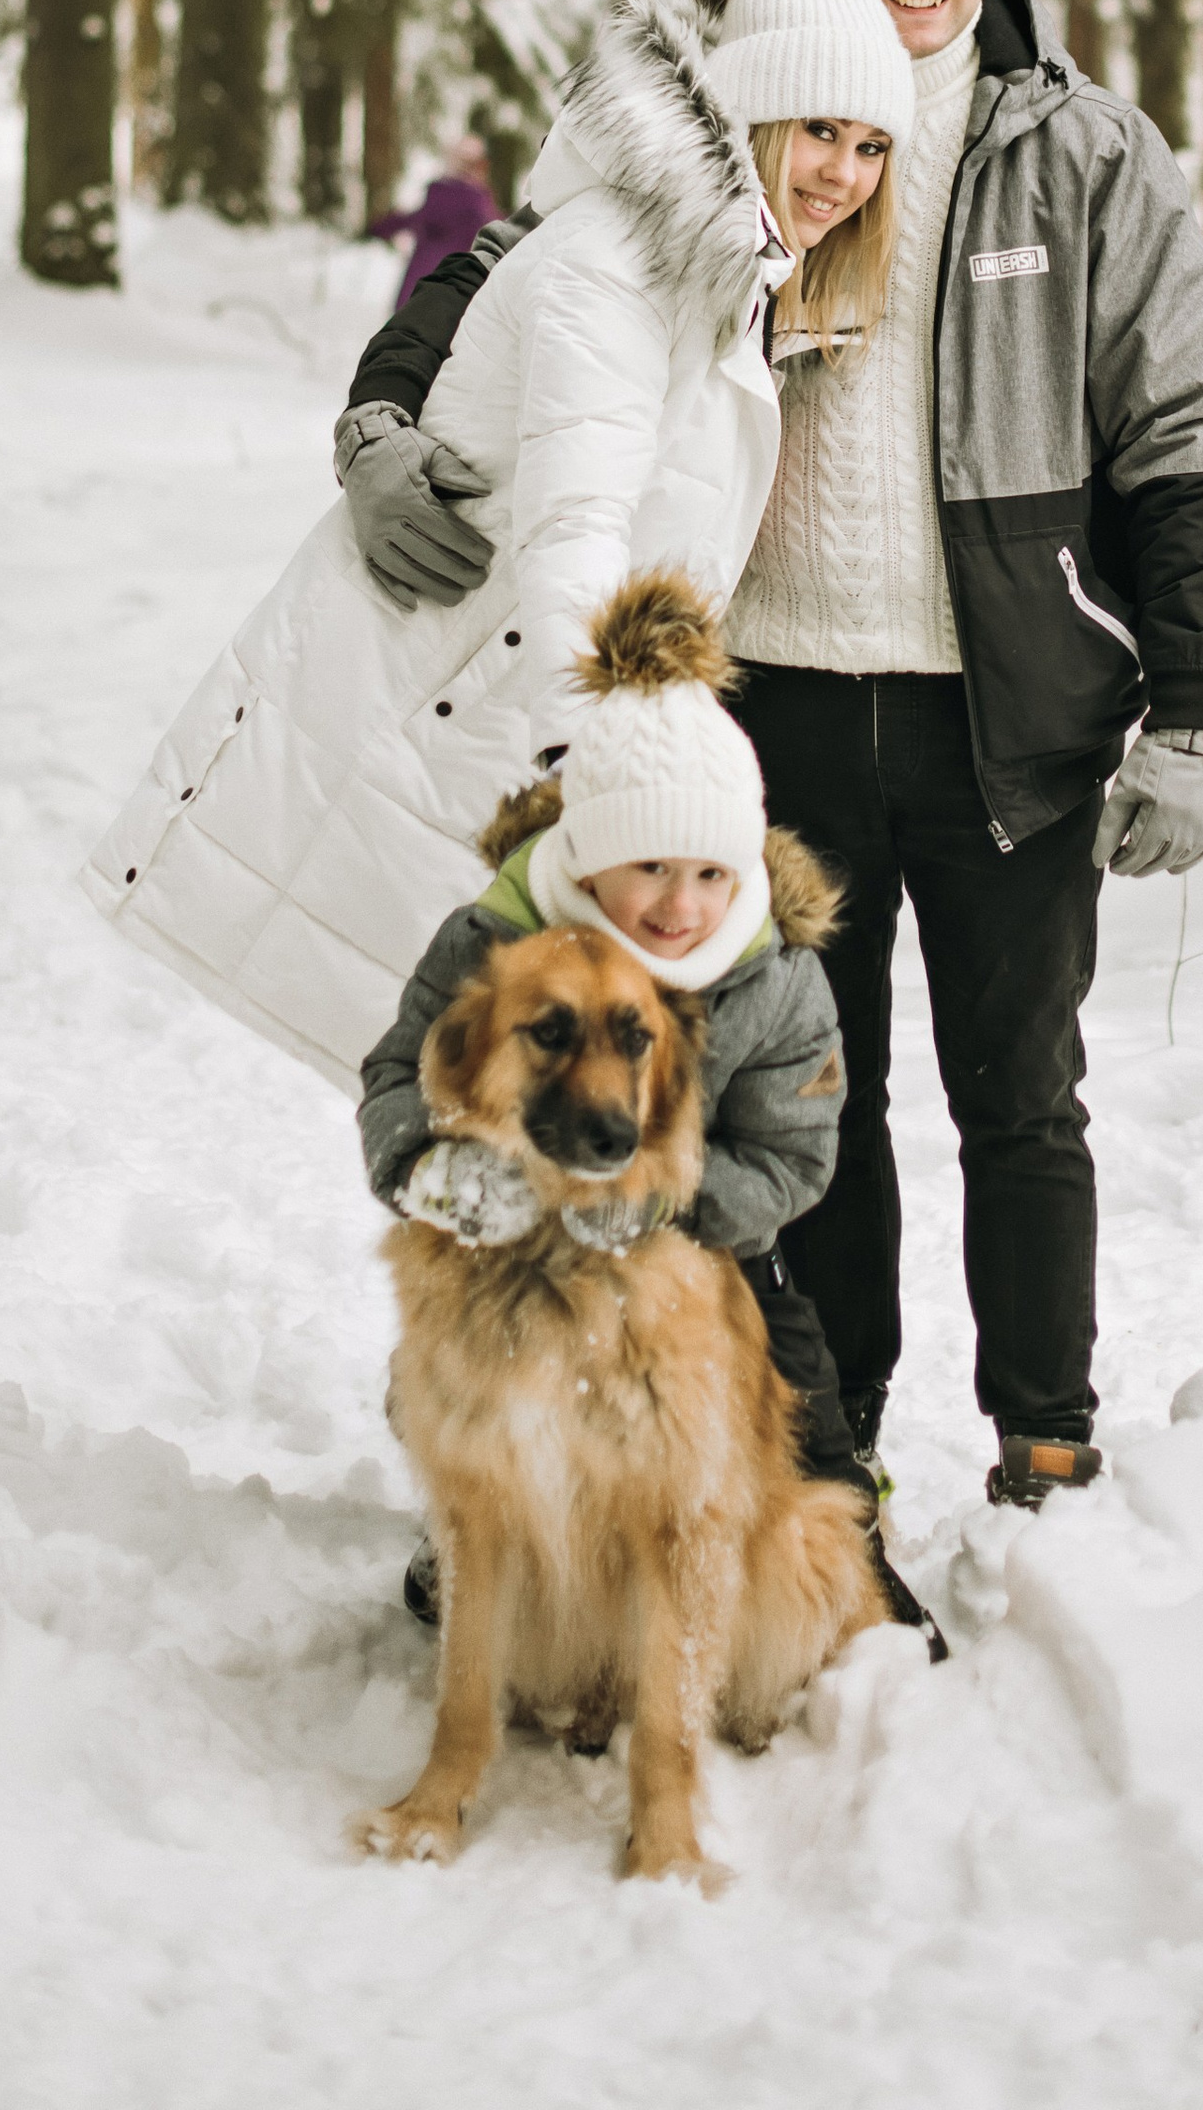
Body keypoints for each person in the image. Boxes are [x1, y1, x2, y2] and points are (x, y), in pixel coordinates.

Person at [333, 0, 1203, 1512]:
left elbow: (1185, 434)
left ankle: (1046, 1432)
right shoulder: (723, 129)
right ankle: (833, 1439)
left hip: (1013, 716)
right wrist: (384, 416)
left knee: (1023, 1095)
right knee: (810, 1085)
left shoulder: (1089, 154)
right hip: (776, 717)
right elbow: (508, 274)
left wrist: (1190, 704)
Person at [84, 0, 911, 1114]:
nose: (842, 175)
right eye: (817, 132)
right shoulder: (625, 265)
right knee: (505, 1142)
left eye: (868, 147)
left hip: (504, 743)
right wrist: (628, 783)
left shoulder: (721, 275)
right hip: (475, 730)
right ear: (749, 113)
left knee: (515, 1144)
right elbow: (577, 534)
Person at [357, 565, 939, 1645]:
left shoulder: (772, 977)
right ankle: (479, 1525)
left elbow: (797, 1152)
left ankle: (836, 1525)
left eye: (712, 873)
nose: (682, 905)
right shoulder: (496, 940)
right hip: (515, 1247)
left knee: (792, 1409)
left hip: (707, 1255)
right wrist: (424, 1165)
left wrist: (673, 1203)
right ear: (587, 854)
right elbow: (396, 1074)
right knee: (447, 1379)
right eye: (651, 867)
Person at [367, 130, 499, 311]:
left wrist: (377, 228)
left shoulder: (437, 195)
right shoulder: (479, 205)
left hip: (418, 287)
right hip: (456, 290)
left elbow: (407, 219)